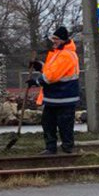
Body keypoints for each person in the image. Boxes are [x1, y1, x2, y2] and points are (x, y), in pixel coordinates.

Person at [28, 26, 80, 154]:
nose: (53, 41)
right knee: (48, 123)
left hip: (64, 96)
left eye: (56, 39)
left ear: (62, 40)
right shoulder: (59, 54)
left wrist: (36, 82)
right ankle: (52, 148)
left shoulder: (66, 55)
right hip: (55, 97)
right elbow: (50, 71)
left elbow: (52, 76)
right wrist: (39, 66)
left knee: (64, 125)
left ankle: (67, 149)